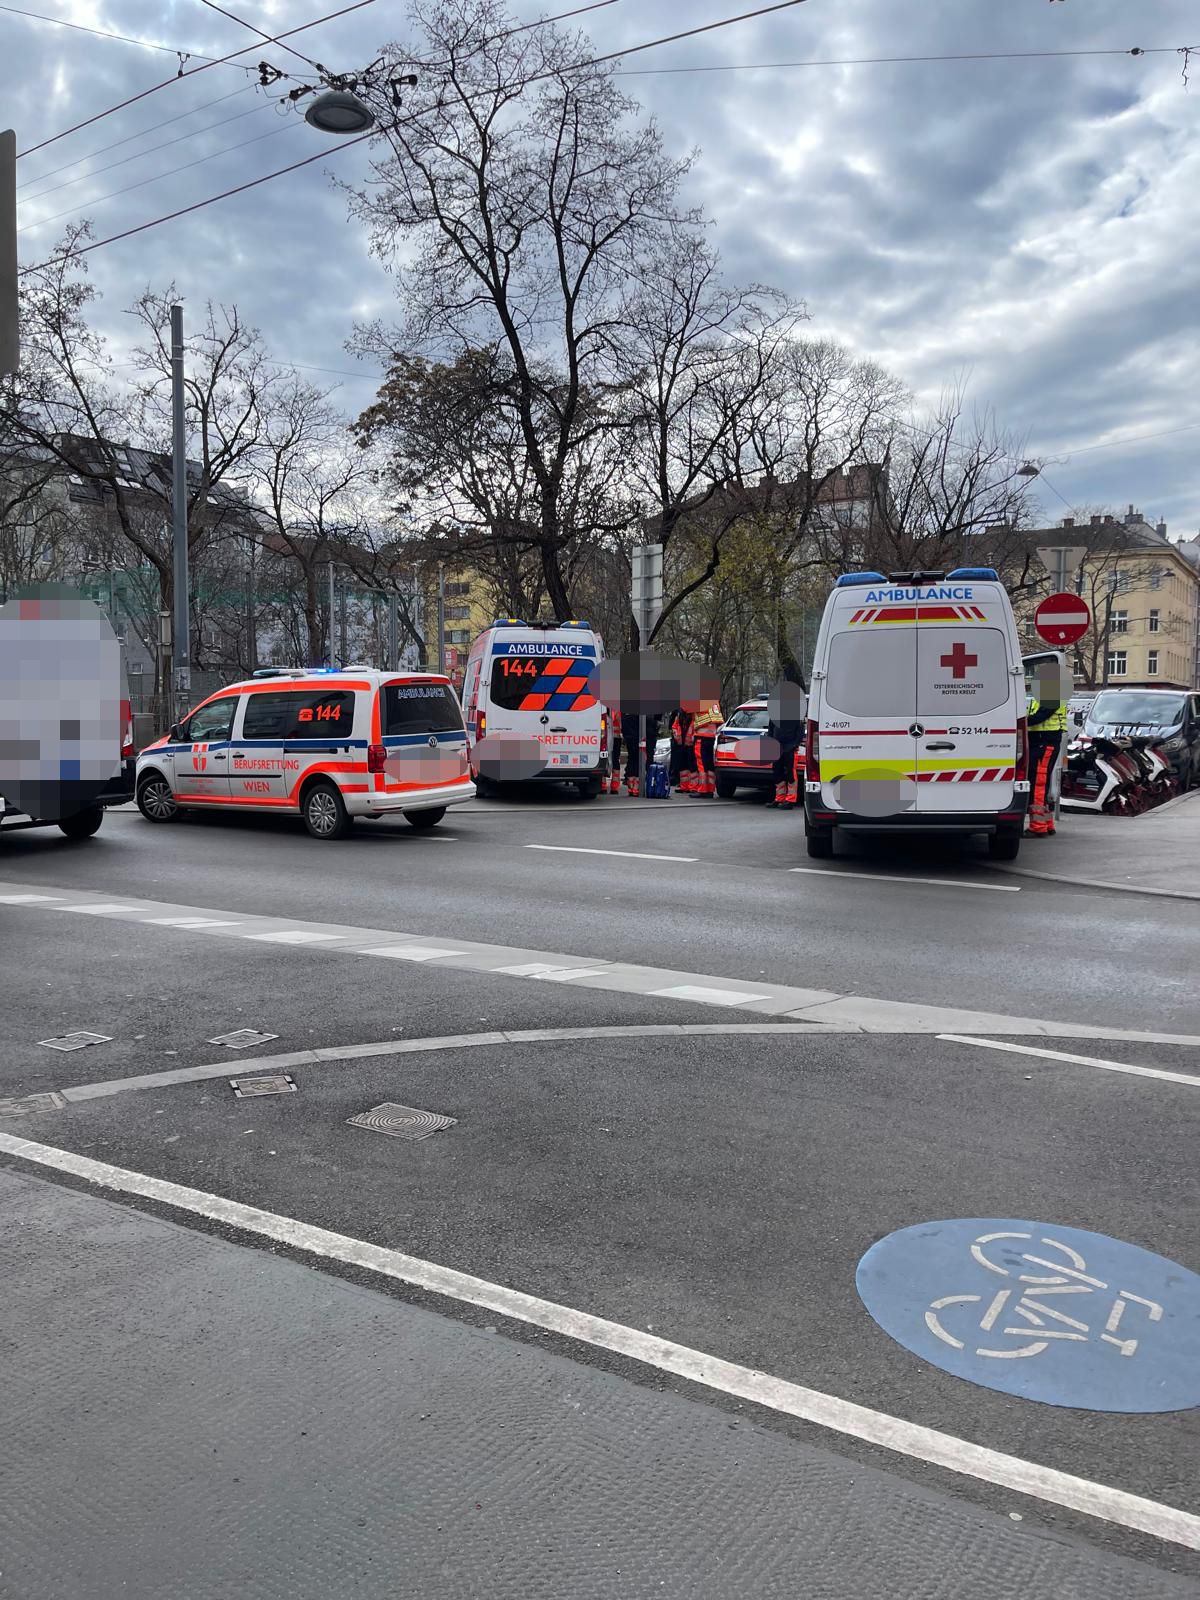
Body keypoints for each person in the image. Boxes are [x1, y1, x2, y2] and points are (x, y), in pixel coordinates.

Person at [1026, 669, 1068, 836]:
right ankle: (1047, 824)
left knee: (1038, 784)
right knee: (1041, 784)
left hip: (1045, 743)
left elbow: (1039, 717)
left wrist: (1020, 722)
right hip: (1043, 743)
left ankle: (1038, 827)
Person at [767, 671, 806, 809]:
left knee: (790, 774)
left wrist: (793, 745)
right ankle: (779, 798)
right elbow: (771, 729)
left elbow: (800, 733)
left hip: (789, 747)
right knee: (777, 773)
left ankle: (790, 800)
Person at [690, 697, 723, 797]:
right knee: (709, 764)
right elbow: (718, 720)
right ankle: (710, 790)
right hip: (711, 737)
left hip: (701, 736)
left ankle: (703, 790)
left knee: (702, 764)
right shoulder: (714, 702)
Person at [670, 707, 695, 792]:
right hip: (681, 743)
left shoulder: (694, 712)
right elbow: (675, 725)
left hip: (690, 743)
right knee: (683, 765)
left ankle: (693, 787)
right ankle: (685, 786)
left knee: (692, 765)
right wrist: (676, 734)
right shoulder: (679, 712)